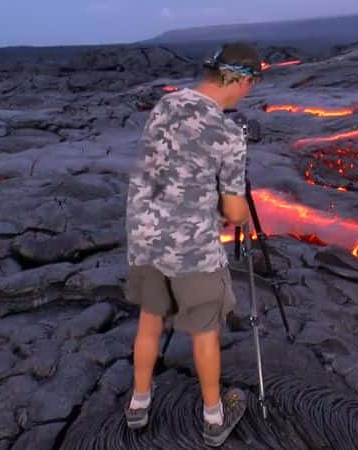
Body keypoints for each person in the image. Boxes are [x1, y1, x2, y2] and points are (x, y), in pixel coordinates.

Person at [122, 42, 262, 447]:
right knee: (204, 332)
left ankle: (138, 404)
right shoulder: (227, 134)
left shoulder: (165, 106)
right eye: (249, 83)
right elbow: (235, 211)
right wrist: (238, 214)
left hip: (146, 240)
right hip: (192, 250)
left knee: (150, 320)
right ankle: (214, 418)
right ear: (238, 79)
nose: (247, 91)